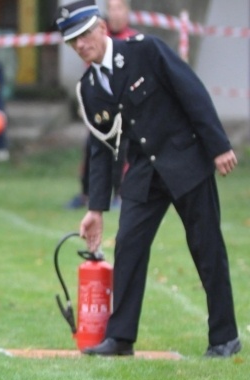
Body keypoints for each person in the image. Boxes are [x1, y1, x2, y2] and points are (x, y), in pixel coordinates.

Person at [56, 0, 242, 358]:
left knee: (207, 249)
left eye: (83, 35)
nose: (80, 45)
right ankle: (121, 338)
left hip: (186, 161)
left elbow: (193, 93)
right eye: (72, 41)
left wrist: (218, 145)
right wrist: (96, 208)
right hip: (143, 173)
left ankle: (224, 337)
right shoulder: (89, 88)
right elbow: (100, 149)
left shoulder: (146, 50)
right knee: (128, 246)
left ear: (101, 28)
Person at [65, 0, 137, 209]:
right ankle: (87, 194)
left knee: (120, 152)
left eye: (119, 8)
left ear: (127, 12)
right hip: (102, 110)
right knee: (92, 148)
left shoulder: (133, 40)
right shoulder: (92, 40)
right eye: (111, 9)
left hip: (125, 112)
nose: (114, 14)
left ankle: (119, 194)